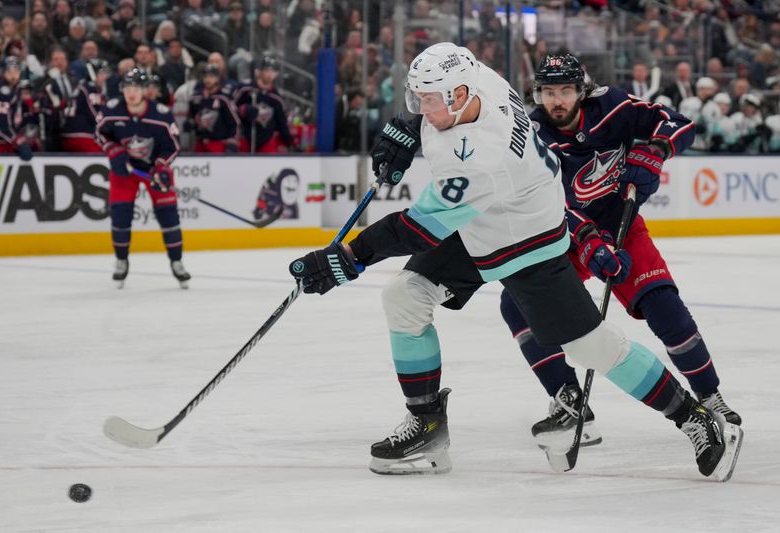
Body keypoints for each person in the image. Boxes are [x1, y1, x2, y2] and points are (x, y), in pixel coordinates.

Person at [287, 43, 743, 480]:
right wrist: (408, 124)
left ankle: (692, 415)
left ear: (459, 95)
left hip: (527, 237)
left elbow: (418, 230)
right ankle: (426, 425)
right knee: (404, 297)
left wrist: (349, 257)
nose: (422, 107)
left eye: (428, 101)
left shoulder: (481, 155)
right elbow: (436, 107)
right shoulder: (475, 78)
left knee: (591, 347)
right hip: (483, 220)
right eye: (417, 98)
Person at [498, 54, 742, 452]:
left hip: (622, 228)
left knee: (666, 308)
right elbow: (545, 202)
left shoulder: (613, 107)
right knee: (517, 302)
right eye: (547, 92)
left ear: (581, 90)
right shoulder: (532, 135)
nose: (556, 100)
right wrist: (590, 240)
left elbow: (680, 123)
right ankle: (569, 400)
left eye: (564, 91)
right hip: (565, 238)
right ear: (537, 94)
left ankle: (710, 397)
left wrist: (656, 151)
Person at [95, 68, 190, 289]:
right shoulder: (111, 110)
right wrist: (114, 151)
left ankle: (177, 262)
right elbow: (99, 133)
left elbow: (173, 145)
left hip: (153, 169)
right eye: (127, 88)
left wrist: (161, 166)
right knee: (120, 214)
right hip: (124, 170)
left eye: (136, 88)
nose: (131, 93)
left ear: (145, 90)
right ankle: (121, 260)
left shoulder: (160, 113)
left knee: (168, 215)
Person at [234, 56, 294, 153]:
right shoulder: (245, 90)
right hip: (244, 137)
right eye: (267, 70)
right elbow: (231, 107)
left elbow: (282, 123)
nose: (270, 74)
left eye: (273, 71)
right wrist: (243, 109)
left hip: (265, 141)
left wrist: (288, 142)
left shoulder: (276, 98)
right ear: (260, 71)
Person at [0, 56, 35, 160]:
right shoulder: (2, 90)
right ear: (3, 72)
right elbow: (0, 124)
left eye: (16, 71)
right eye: (9, 72)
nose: (13, 76)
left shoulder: (15, 88)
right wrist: (17, 141)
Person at [187, 63, 240, 153]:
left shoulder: (224, 98)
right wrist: (190, 124)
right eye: (206, 76)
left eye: (211, 76)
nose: (208, 80)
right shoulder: (195, 98)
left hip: (219, 144)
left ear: (218, 78)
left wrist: (232, 143)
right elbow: (192, 118)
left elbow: (235, 122)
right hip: (201, 144)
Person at [62, 58, 109, 152]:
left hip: (68, 136)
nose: (105, 77)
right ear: (93, 74)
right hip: (82, 136)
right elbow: (96, 116)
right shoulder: (90, 88)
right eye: (102, 73)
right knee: (109, 154)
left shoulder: (82, 86)